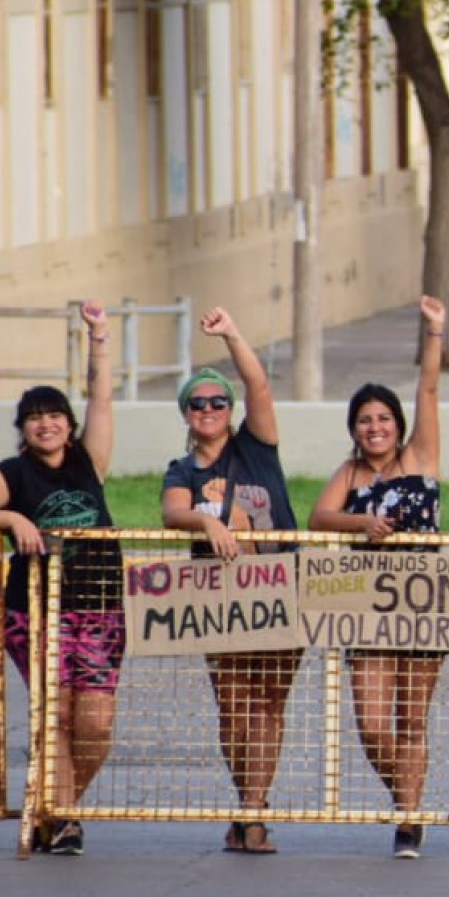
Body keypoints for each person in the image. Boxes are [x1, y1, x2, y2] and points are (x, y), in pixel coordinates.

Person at [0, 301, 118, 856]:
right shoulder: (11, 473)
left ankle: (53, 808)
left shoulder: (88, 461)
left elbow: (103, 399)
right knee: (56, 713)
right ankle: (63, 820)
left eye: (55, 414)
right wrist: (13, 516)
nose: (46, 423)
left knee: (95, 721)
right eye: (35, 417)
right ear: (23, 428)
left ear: (68, 422)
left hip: (100, 609)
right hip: (36, 611)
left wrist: (98, 337)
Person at [307, 295, 448, 859]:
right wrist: (359, 521)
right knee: (371, 724)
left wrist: (434, 334)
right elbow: (319, 518)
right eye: (365, 421)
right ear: (354, 429)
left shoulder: (420, 459)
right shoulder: (349, 472)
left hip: (422, 606)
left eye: (384, 418)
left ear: (398, 425)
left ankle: (407, 824)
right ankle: (409, 801)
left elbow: (430, 392)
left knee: (412, 719)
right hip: (367, 609)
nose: (375, 427)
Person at [159, 306, 299, 856]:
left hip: (282, 587)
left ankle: (254, 811)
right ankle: (246, 805)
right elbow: (172, 512)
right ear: (187, 415)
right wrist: (208, 518)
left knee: (269, 702)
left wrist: (233, 334)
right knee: (233, 703)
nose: (210, 409)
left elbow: (258, 383)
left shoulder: (255, 447)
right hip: (220, 600)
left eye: (219, 402)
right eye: (199, 404)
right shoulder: (183, 471)